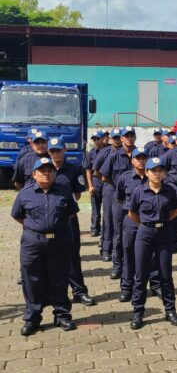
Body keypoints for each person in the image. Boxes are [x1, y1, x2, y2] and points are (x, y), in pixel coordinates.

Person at [12, 158, 79, 336]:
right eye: (42, 170)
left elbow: (72, 213)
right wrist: (37, 228)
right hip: (33, 243)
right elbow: (17, 215)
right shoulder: (25, 193)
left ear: (54, 173)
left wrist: (54, 227)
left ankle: (62, 315)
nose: (46, 173)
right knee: (32, 280)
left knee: (59, 278)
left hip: (59, 242)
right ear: (34, 174)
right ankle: (32, 318)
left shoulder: (64, 192)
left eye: (50, 170)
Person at [128, 157, 177, 329]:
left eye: (160, 170)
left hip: (164, 233)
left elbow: (176, 211)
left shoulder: (170, 191)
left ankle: (170, 310)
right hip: (145, 233)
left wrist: (162, 223)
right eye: (154, 171)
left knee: (165, 274)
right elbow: (132, 214)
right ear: (147, 173)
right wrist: (147, 225)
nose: (158, 174)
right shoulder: (139, 191)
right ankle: (138, 312)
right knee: (141, 274)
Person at [48, 137, 97, 307]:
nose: (56, 153)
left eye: (58, 150)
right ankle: (54, 295)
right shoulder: (43, 169)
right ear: (49, 152)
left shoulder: (74, 170)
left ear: (64, 150)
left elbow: (77, 194)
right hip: (49, 220)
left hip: (69, 218)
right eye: (52, 151)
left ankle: (79, 292)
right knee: (51, 258)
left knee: (72, 256)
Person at [116, 147, 161, 302]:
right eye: (138, 158)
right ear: (132, 160)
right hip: (132, 221)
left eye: (144, 158)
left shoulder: (154, 177)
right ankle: (127, 288)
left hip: (150, 221)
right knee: (128, 254)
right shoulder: (125, 178)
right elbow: (120, 198)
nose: (141, 160)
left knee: (153, 254)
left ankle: (155, 285)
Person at [99, 126, 136, 279]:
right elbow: (103, 176)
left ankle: (134, 266)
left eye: (131, 135)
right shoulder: (114, 155)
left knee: (136, 234)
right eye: (126, 136)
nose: (129, 138)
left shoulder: (140, 154)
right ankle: (117, 266)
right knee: (119, 234)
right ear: (121, 138)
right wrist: (119, 186)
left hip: (138, 202)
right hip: (120, 200)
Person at [93, 128, 122, 261]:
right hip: (111, 189)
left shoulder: (130, 153)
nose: (117, 140)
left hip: (126, 191)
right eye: (114, 138)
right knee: (109, 220)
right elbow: (96, 171)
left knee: (123, 221)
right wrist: (112, 182)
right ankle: (106, 249)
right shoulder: (106, 152)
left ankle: (121, 248)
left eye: (118, 137)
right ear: (110, 139)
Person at [83, 130, 107, 237]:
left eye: (98, 139)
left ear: (103, 139)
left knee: (107, 208)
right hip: (96, 183)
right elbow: (88, 171)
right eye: (94, 139)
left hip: (107, 183)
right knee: (95, 208)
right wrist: (90, 185)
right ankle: (95, 228)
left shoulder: (109, 151)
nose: (96, 141)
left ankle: (106, 229)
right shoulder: (91, 153)